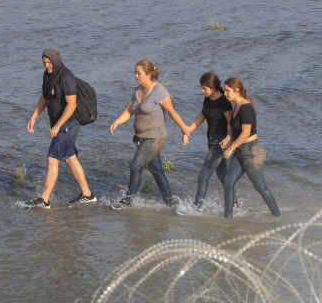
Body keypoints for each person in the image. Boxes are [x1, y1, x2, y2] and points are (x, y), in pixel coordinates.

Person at [108, 59, 190, 208]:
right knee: (157, 170)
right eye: (135, 73)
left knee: (135, 166)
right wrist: (117, 122)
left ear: (148, 74)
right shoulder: (136, 90)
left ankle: (128, 200)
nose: (136, 76)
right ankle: (170, 201)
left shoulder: (159, 91)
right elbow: (129, 111)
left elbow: (172, 112)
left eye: (138, 73)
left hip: (156, 138)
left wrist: (184, 129)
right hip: (141, 138)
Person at [25, 47, 96, 208]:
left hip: (68, 124)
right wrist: (34, 116)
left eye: (49, 62)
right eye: (44, 63)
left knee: (52, 158)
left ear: (56, 61)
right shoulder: (47, 75)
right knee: (70, 158)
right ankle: (87, 194)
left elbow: (71, 105)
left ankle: (44, 200)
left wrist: (57, 126)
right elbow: (45, 97)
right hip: (59, 124)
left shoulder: (66, 77)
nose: (47, 66)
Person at [182, 71, 243, 214]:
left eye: (205, 88)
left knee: (203, 176)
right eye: (201, 88)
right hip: (210, 141)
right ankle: (236, 206)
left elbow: (231, 124)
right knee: (224, 178)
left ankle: (195, 209)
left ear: (214, 87)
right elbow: (202, 116)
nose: (203, 91)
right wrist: (189, 130)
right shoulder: (208, 99)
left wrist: (228, 140)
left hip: (220, 143)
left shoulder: (224, 102)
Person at [220, 77, 280, 217]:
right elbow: (234, 128)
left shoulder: (246, 107)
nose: (225, 93)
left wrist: (230, 148)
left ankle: (277, 217)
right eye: (224, 90)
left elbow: (246, 133)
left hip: (252, 152)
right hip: (241, 151)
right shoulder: (237, 106)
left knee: (260, 187)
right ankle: (228, 218)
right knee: (228, 182)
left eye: (227, 91)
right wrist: (228, 138)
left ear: (237, 91)